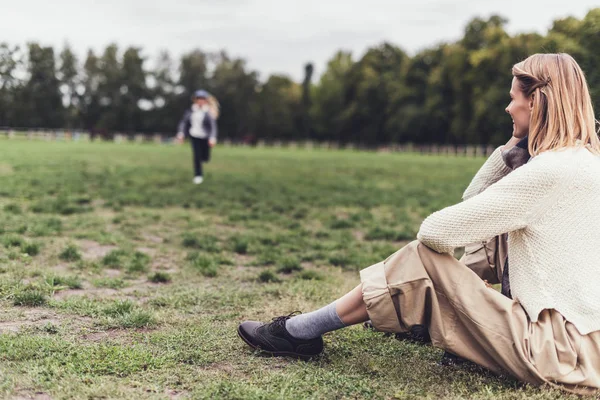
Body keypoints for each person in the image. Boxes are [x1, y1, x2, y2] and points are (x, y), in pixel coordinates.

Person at [237, 53, 600, 395]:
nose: (508, 108)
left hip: (556, 353)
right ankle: (420, 313)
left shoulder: (548, 171)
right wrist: (519, 143)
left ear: (536, 102)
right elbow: (478, 208)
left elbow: (437, 231)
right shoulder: (585, 161)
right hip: (589, 348)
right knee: (493, 239)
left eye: (513, 99)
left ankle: (301, 331)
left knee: (423, 256)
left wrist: (515, 142)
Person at [177, 90, 219, 184]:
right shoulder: (191, 111)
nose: (200, 101)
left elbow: (213, 126)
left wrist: (212, 138)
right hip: (194, 135)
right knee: (196, 156)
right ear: (195, 100)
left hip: (205, 137)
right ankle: (198, 175)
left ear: (205, 100)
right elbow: (184, 123)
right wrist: (181, 133)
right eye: (198, 99)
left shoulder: (208, 112)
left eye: (202, 99)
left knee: (205, 157)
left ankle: (205, 157)